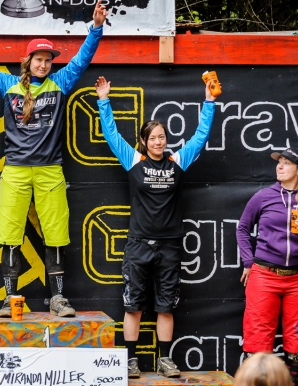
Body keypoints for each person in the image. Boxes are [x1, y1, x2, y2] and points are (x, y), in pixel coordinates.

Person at [0, 1, 108, 318]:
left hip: (50, 171)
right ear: (27, 61)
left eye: (48, 60)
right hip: (16, 171)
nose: (44, 64)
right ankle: (10, 299)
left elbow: (82, 60)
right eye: (39, 59)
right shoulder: (8, 84)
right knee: (10, 235)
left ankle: (58, 299)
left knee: (56, 235)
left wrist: (95, 28)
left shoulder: (59, 83)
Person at [94, 76, 219, 378]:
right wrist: (103, 101)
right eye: (152, 138)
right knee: (133, 306)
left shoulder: (178, 161)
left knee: (165, 307)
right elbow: (111, 134)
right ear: (144, 142)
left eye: (162, 137)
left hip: (169, 247)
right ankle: (131, 360)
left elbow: (200, 136)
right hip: (138, 245)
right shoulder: (133, 160)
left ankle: (165, 359)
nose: (158, 142)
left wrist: (210, 102)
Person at [236, 147, 298, 385]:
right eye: (279, 161)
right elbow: (242, 228)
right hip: (264, 275)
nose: (279, 166)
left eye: (287, 163)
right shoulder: (263, 196)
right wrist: (248, 261)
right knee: (257, 340)